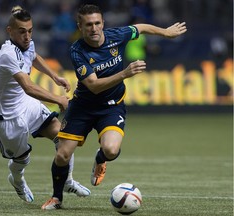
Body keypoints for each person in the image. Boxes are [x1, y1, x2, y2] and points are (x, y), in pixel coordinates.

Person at [41, 4, 187, 210]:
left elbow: (140, 27)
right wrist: (124, 74)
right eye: (88, 25)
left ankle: (100, 159)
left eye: (97, 23)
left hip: (111, 107)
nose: (93, 28)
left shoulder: (117, 35)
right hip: (82, 107)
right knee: (62, 155)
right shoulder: (77, 50)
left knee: (110, 149)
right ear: (80, 27)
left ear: (103, 23)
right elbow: (93, 86)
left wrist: (166, 32)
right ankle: (57, 198)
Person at [0, 5, 90, 204]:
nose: (27, 36)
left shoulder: (26, 44)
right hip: (8, 117)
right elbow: (28, 86)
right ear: (10, 32)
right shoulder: (7, 55)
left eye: (30, 31)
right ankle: (17, 180)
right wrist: (59, 99)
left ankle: (67, 180)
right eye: (22, 32)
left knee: (63, 136)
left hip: (26, 105)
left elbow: (34, 57)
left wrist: (54, 76)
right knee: (21, 159)